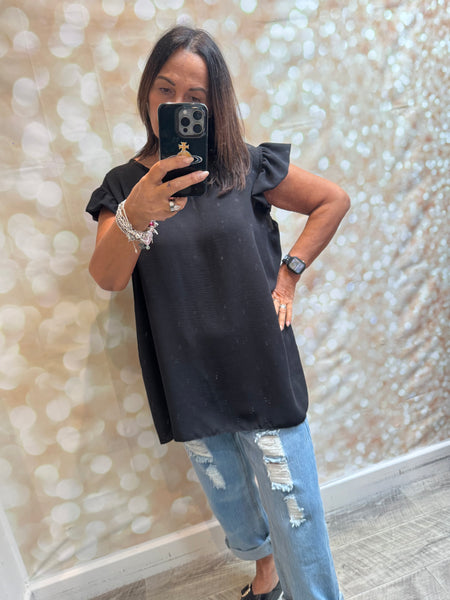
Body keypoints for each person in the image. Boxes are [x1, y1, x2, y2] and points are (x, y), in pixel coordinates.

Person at [87, 25, 349, 600]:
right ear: (146, 92)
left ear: (215, 105)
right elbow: (107, 276)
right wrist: (137, 209)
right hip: (188, 374)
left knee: (295, 508)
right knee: (231, 499)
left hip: (260, 363)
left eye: (196, 97)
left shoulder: (244, 166)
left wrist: (290, 273)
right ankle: (266, 575)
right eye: (165, 89)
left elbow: (332, 200)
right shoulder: (124, 186)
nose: (177, 103)